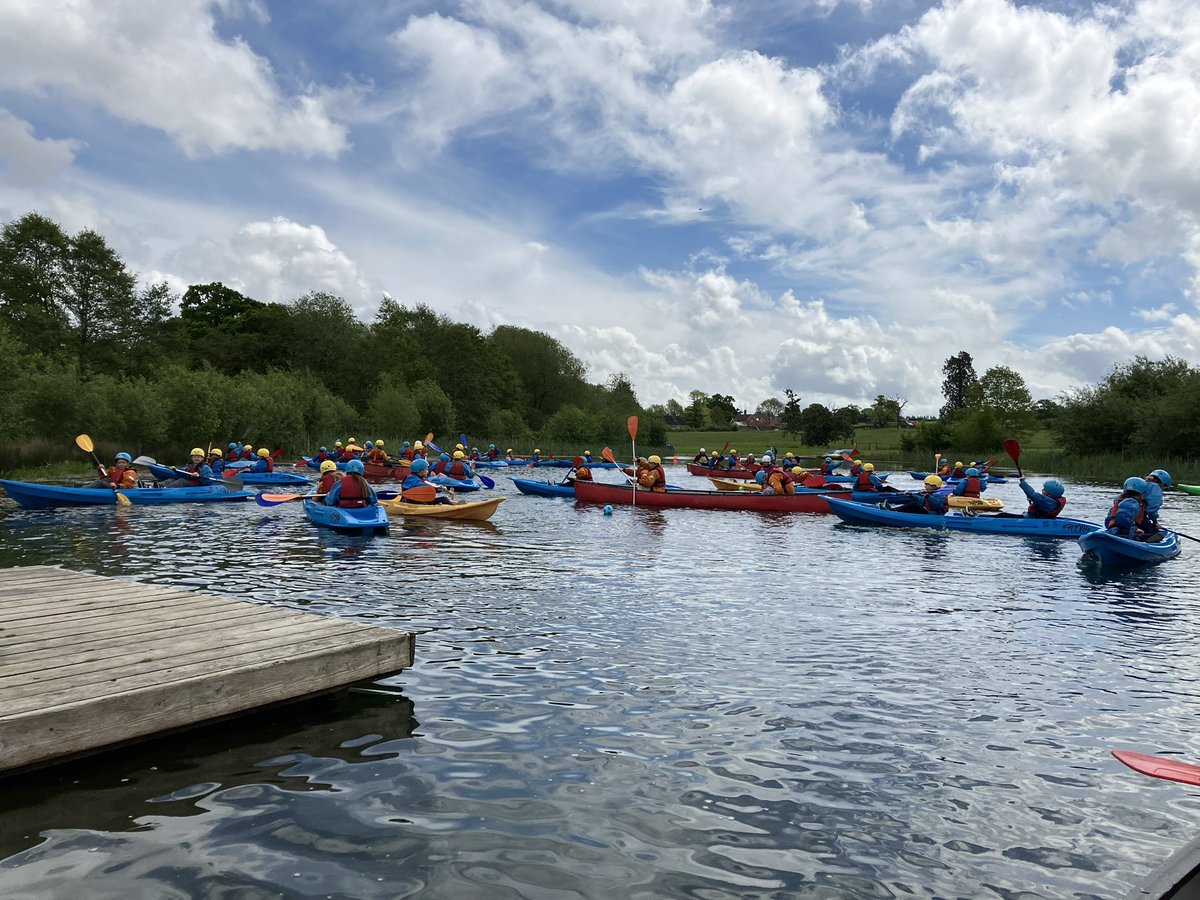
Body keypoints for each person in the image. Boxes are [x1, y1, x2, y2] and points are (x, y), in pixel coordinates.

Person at [1143, 469, 1172, 533]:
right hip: (1138, 521)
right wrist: (1155, 522)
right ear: (1162, 484)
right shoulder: (1155, 488)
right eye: (1164, 488)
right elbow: (1151, 510)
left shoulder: (1140, 484)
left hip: (1124, 520)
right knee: (1156, 533)